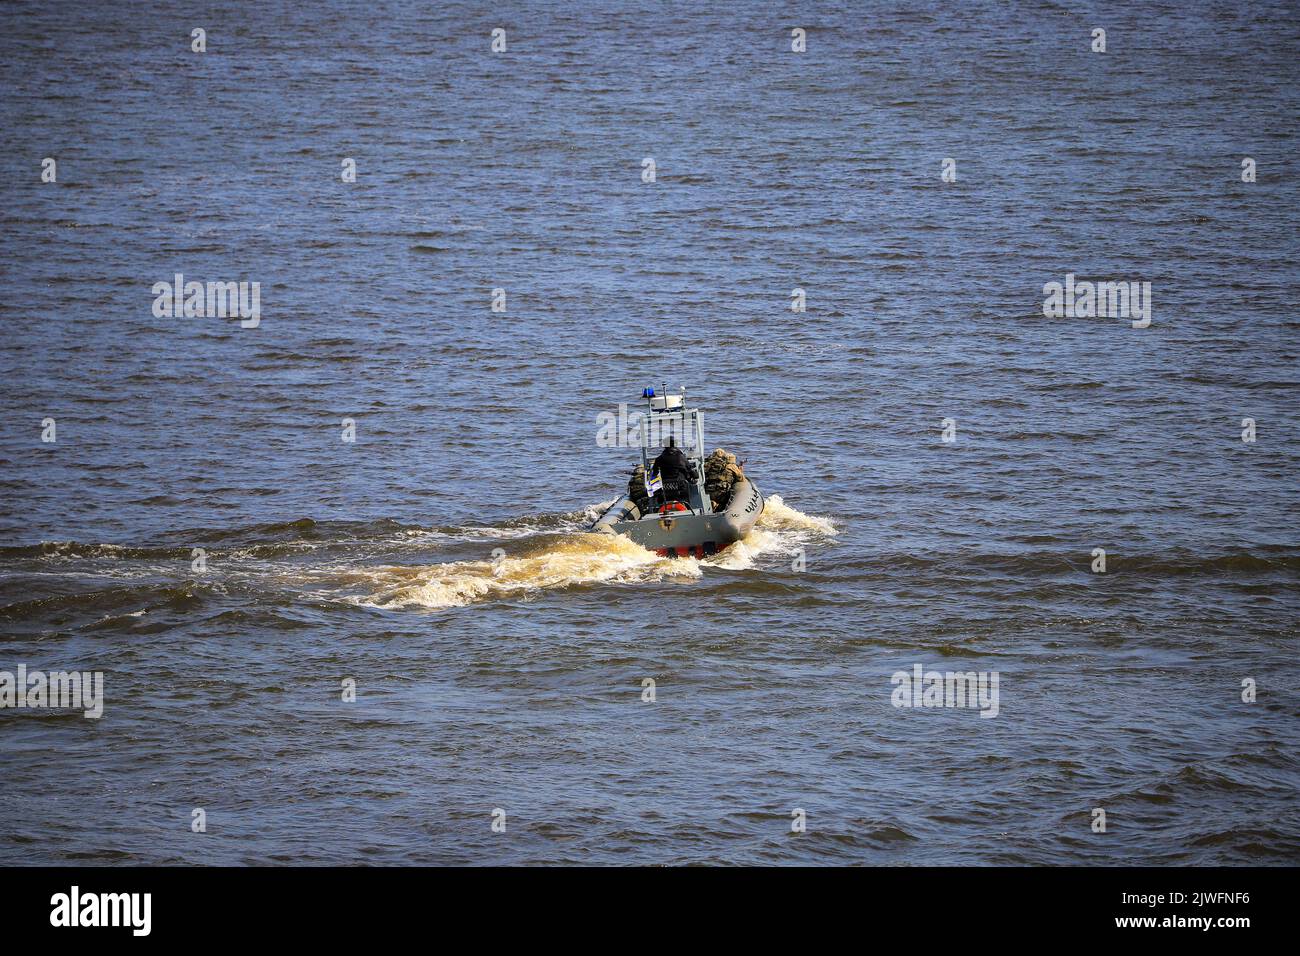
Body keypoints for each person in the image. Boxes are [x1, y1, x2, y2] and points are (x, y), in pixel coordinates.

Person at [653, 436, 696, 505]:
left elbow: (654, 474)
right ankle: (687, 507)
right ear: (675, 444)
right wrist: (694, 476)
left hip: (665, 488)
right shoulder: (681, 457)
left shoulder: (659, 459)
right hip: (680, 487)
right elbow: (689, 470)